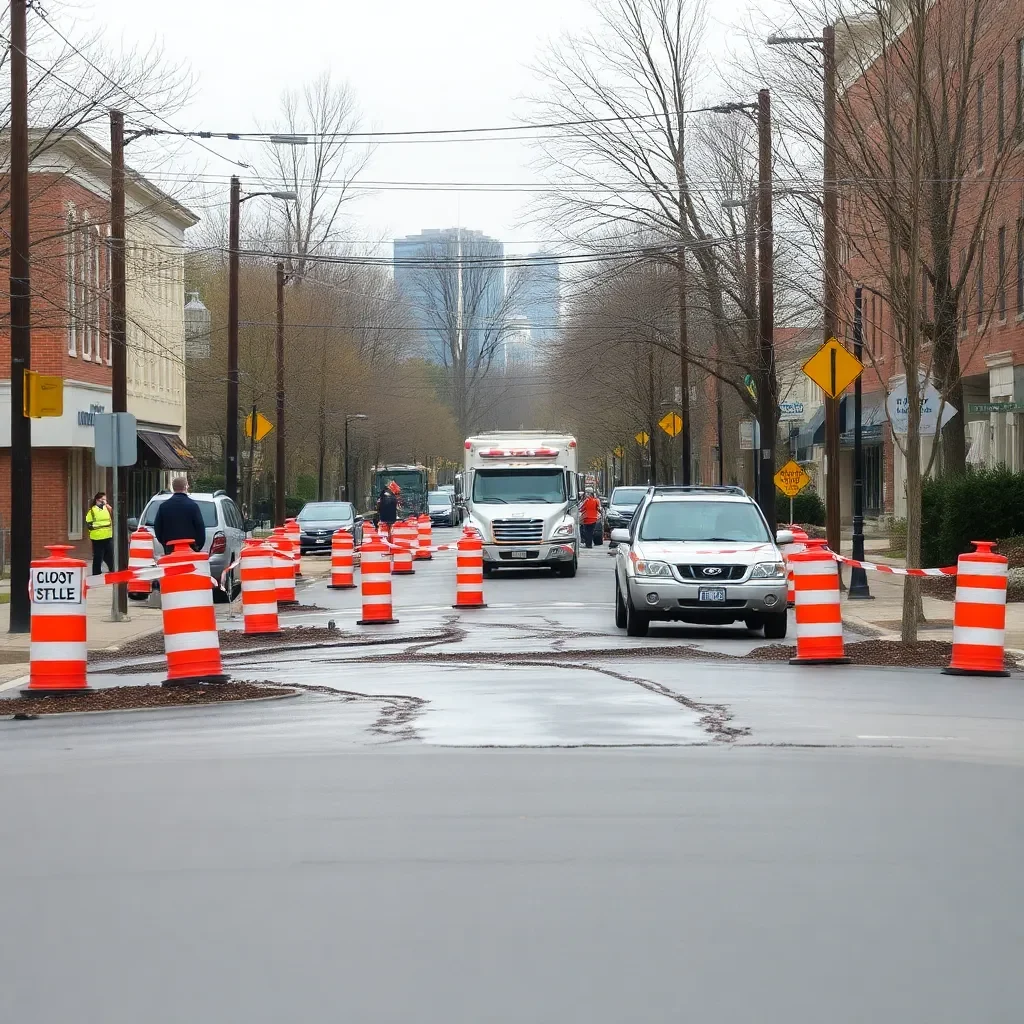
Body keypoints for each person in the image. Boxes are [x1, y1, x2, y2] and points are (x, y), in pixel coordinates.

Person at [154, 477, 207, 553]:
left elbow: (157, 527)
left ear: (173, 488)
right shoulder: (193, 506)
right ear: (186, 486)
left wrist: (165, 543)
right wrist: (197, 546)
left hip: (170, 548)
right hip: (190, 548)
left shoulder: (163, 507)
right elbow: (200, 528)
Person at [85, 492, 114, 576]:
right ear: (98, 500)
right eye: (103, 499)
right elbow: (89, 524)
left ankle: (113, 569)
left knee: (109, 554)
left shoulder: (107, 508)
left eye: (105, 499)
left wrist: (108, 506)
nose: (105, 501)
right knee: (98, 556)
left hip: (107, 536)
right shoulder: (92, 510)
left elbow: (113, 514)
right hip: (97, 537)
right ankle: (96, 572)